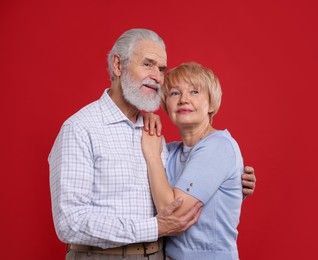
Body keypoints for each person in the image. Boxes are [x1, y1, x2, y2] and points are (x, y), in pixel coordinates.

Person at [49, 29, 256, 260]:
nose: (157, 77)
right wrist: (155, 227)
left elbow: (187, 188)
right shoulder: (81, 128)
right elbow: (70, 222)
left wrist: (230, 183)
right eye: (148, 64)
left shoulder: (153, 135)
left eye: (161, 69)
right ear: (118, 65)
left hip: (159, 255)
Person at [142, 62, 244, 259]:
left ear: (212, 104)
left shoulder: (218, 146)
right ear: (165, 105)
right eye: (174, 93)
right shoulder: (170, 150)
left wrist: (153, 156)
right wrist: (145, 119)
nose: (184, 100)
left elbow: (171, 214)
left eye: (195, 92)